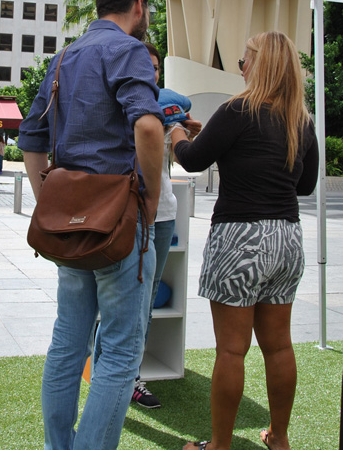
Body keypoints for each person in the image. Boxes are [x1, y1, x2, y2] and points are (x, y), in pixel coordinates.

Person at [19, 0, 164, 450]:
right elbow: (148, 126)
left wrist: (47, 201)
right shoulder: (128, 50)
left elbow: (31, 138)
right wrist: (150, 198)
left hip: (68, 223)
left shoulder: (64, 57)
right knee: (120, 352)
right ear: (139, 5)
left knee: (68, 343)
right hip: (118, 220)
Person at [171, 31, 318, 450]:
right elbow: (305, 185)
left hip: (240, 237)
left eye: (243, 61)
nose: (241, 68)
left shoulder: (237, 109)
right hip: (286, 238)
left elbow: (192, 160)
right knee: (279, 347)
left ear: (259, 64)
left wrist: (177, 132)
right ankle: (279, 437)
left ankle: (220, 445)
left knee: (232, 352)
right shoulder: (301, 120)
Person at [129, 42, 201, 410]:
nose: (152, 72)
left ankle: (132, 374)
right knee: (125, 297)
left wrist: (185, 131)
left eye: (156, 67)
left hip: (163, 214)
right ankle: (114, 370)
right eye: (146, 65)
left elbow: (183, 157)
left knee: (147, 297)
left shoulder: (168, 109)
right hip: (128, 214)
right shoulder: (120, 103)